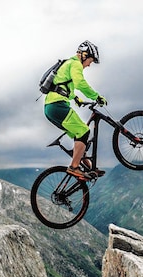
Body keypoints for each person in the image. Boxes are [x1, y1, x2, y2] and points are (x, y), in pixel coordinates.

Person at [44, 40, 107, 180]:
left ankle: (89, 168)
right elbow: (80, 83)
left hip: (51, 107)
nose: (89, 64)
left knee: (80, 136)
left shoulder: (69, 64)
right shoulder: (75, 63)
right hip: (57, 106)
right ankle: (74, 167)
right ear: (84, 55)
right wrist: (97, 97)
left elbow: (64, 85)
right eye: (90, 60)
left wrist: (75, 98)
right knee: (84, 131)